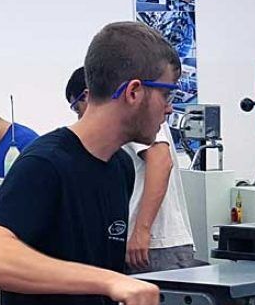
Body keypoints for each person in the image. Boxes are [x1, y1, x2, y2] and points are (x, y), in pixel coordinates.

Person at [0, 21, 180, 305]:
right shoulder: (46, 164)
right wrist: (111, 281)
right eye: (166, 93)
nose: (170, 108)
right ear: (134, 92)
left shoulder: (121, 167)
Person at [65, 67, 200, 273]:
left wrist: (141, 231)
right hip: (139, 245)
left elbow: (161, 161)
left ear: (87, 95)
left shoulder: (132, 118)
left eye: (77, 109)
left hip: (155, 245)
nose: (79, 119)